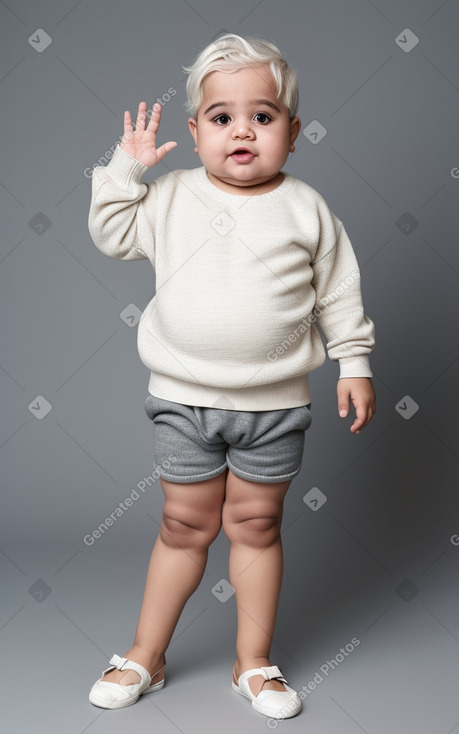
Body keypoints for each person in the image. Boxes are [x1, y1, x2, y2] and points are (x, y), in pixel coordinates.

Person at [87, 32, 376, 720]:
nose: (241, 130)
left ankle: (254, 662)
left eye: (263, 116)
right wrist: (123, 172)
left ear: (293, 132)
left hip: (274, 408)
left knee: (255, 525)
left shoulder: (305, 208)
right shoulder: (170, 199)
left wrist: (354, 363)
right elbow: (111, 233)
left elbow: (339, 293)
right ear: (193, 133)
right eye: (221, 118)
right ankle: (144, 655)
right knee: (184, 526)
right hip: (184, 403)